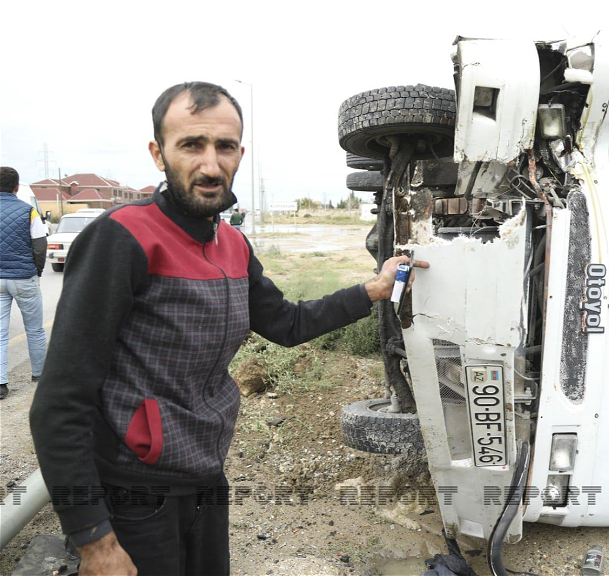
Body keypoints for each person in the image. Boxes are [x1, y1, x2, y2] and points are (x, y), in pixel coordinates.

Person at [29, 82, 427, 576]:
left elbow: (287, 322)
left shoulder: (232, 244)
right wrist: (93, 540)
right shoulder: (123, 237)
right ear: (159, 154)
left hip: (204, 476)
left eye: (224, 147)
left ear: (240, 152)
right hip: (133, 491)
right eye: (191, 145)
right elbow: (59, 401)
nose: (211, 164)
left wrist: (374, 288)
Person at [0, 166, 48, 400]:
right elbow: (39, 246)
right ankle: (39, 374)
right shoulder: (29, 212)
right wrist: (36, 271)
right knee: (35, 329)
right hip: (24, 278)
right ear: (16, 187)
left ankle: (0, 384)